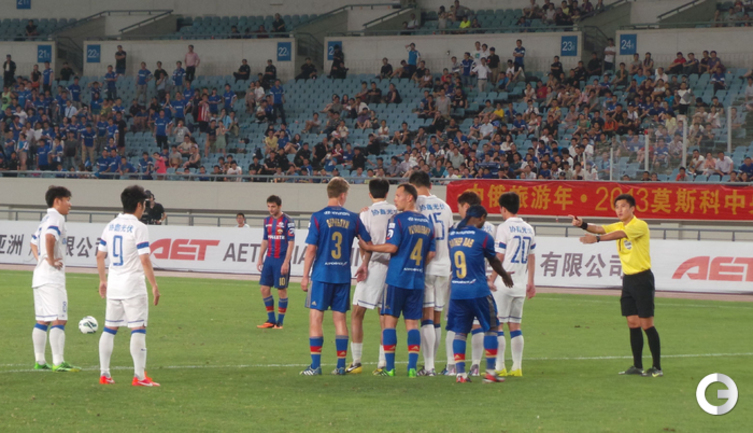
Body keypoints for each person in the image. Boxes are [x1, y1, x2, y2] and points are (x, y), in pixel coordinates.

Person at [571, 194, 662, 377]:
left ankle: (657, 367)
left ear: (632, 209)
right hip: (628, 280)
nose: (619, 210)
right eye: (617, 207)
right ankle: (637, 366)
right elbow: (600, 228)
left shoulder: (639, 225)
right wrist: (582, 224)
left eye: (623, 206)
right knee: (632, 323)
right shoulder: (619, 224)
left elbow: (619, 234)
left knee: (646, 324)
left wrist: (597, 239)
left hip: (642, 279)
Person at [359, 183, 435, 378]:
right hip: (416, 280)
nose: (395, 199)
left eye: (398, 195)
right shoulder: (427, 222)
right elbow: (431, 253)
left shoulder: (398, 219)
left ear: (409, 198)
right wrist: (416, 265)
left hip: (396, 278)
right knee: (412, 324)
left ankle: (390, 368)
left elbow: (392, 247)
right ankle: (412, 368)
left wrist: (370, 247)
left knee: (389, 323)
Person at [299, 178, 371, 376]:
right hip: (342, 276)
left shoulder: (318, 217)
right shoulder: (354, 218)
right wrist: (364, 263)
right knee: (340, 320)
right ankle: (340, 366)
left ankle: (315, 366)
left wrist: (305, 276)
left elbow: (311, 249)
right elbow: (367, 244)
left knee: (316, 318)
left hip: (322, 275)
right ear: (342, 195)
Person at [96, 185, 161, 387]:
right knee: (138, 328)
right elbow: (144, 259)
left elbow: (100, 255)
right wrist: (154, 285)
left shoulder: (111, 225)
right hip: (132, 285)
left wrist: (103, 280)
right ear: (139, 205)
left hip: (114, 285)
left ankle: (105, 373)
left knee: (109, 328)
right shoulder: (139, 227)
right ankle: (139, 376)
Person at [447, 205, 514, 383]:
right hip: (477, 290)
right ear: (481, 217)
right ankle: (490, 372)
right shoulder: (484, 237)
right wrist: (505, 275)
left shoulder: (452, 235)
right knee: (492, 327)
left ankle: (460, 374)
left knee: (460, 332)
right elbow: (493, 261)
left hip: (457, 290)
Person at [346, 179, 397, 375]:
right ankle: (383, 363)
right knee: (385, 316)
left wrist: (364, 264)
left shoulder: (366, 213)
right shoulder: (396, 211)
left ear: (370, 194)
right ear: (387, 193)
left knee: (357, 313)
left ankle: (357, 362)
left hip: (374, 265)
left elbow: (363, 242)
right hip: (393, 267)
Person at [30, 186, 80, 372]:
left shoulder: (45, 219)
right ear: (57, 201)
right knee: (59, 319)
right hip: (51, 278)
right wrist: (50, 260)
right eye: (67, 200)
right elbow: (50, 237)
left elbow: (33, 242)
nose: (70, 204)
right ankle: (58, 362)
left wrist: (41, 260)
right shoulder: (57, 218)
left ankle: (40, 361)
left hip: (39, 276)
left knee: (42, 320)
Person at [407, 171, 453, 377]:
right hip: (444, 266)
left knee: (426, 316)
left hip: (426, 265)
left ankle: (429, 367)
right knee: (437, 317)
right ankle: (431, 363)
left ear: (412, 187)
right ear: (430, 185)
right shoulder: (445, 206)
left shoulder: (416, 205)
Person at [488, 192, 536, 377]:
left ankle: (500, 366)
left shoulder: (504, 227)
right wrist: (531, 282)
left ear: (503, 209)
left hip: (504, 283)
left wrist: (492, 278)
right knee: (515, 326)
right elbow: (532, 256)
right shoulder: (529, 228)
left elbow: (499, 256)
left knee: (498, 325)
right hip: (520, 285)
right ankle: (517, 367)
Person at [256, 195, 295, 329]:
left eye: (273, 206)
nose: (271, 209)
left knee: (281, 290)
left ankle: (280, 322)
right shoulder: (267, 221)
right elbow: (265, 240)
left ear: (280, 206)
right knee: (264, 288)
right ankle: (271, 320)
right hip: (269, 259)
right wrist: (260, 257)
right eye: (269, 206)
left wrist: (286, 262)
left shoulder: (288, 221)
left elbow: (291, 243)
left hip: (281, 260)